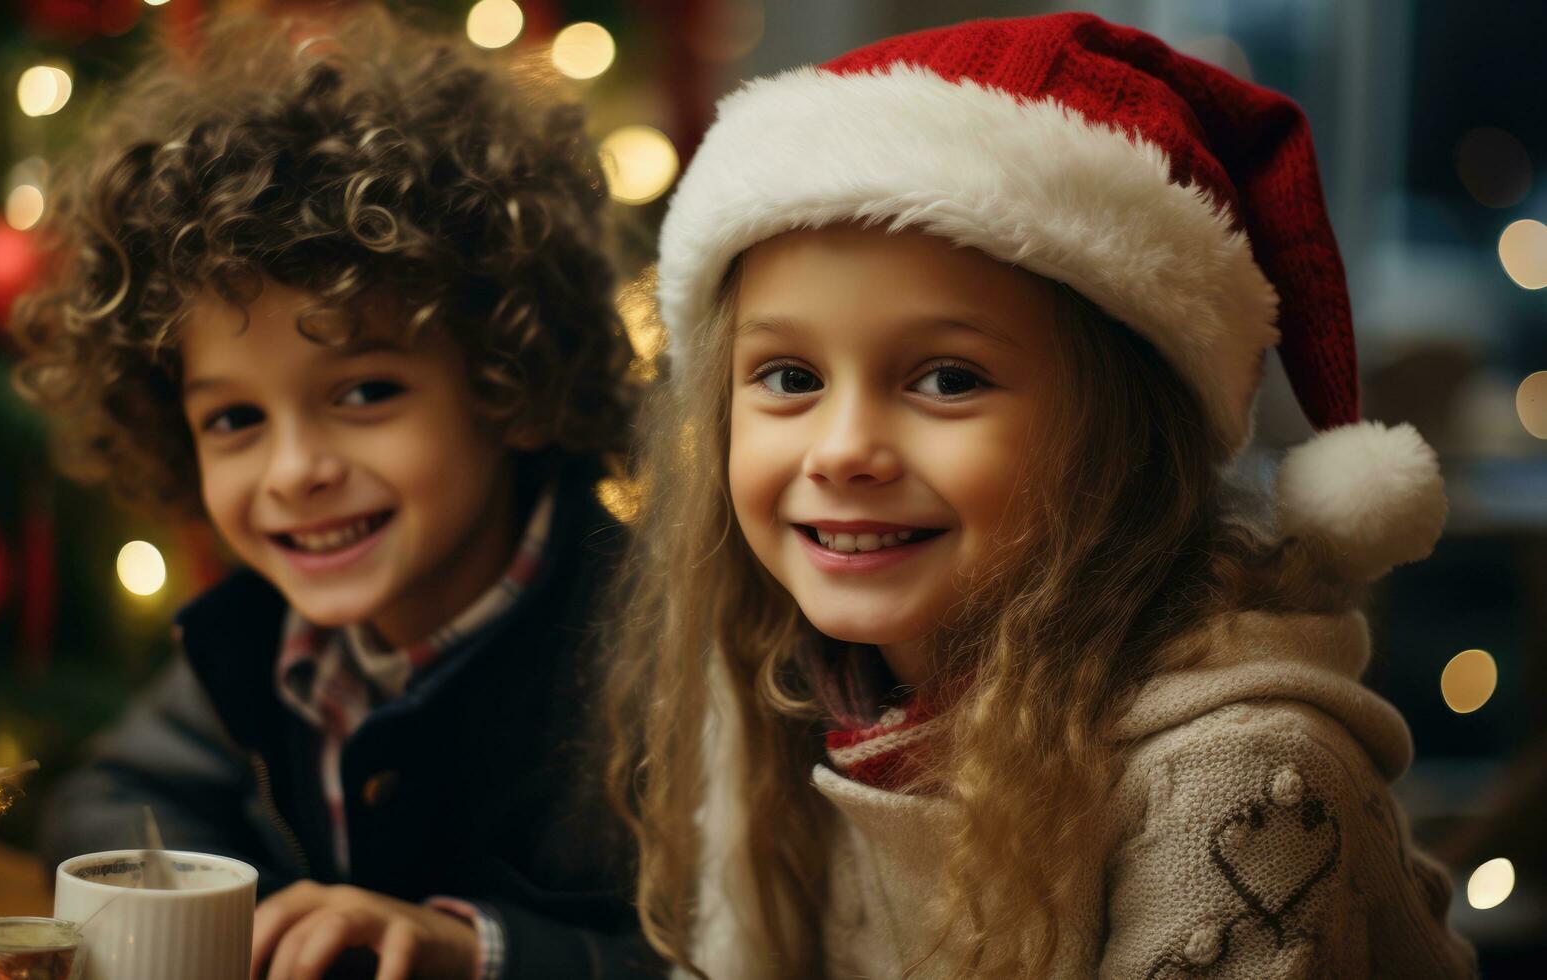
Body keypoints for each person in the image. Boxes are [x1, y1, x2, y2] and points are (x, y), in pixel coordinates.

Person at [606, 13, 1478, 978]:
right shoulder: (796, 694)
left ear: (1124, 436)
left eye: (946, 379)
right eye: (788, 377)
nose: (843, 450)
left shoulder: (1240, 777)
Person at [16, 9, 655, 978]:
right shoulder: (280, 645)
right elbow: (105, 798)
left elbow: (745, 950)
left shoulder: (658, 652)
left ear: (509, 385)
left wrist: (477, 951)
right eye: (235, 419)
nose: (292, 470)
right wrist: (270, 916)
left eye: (365, 392)